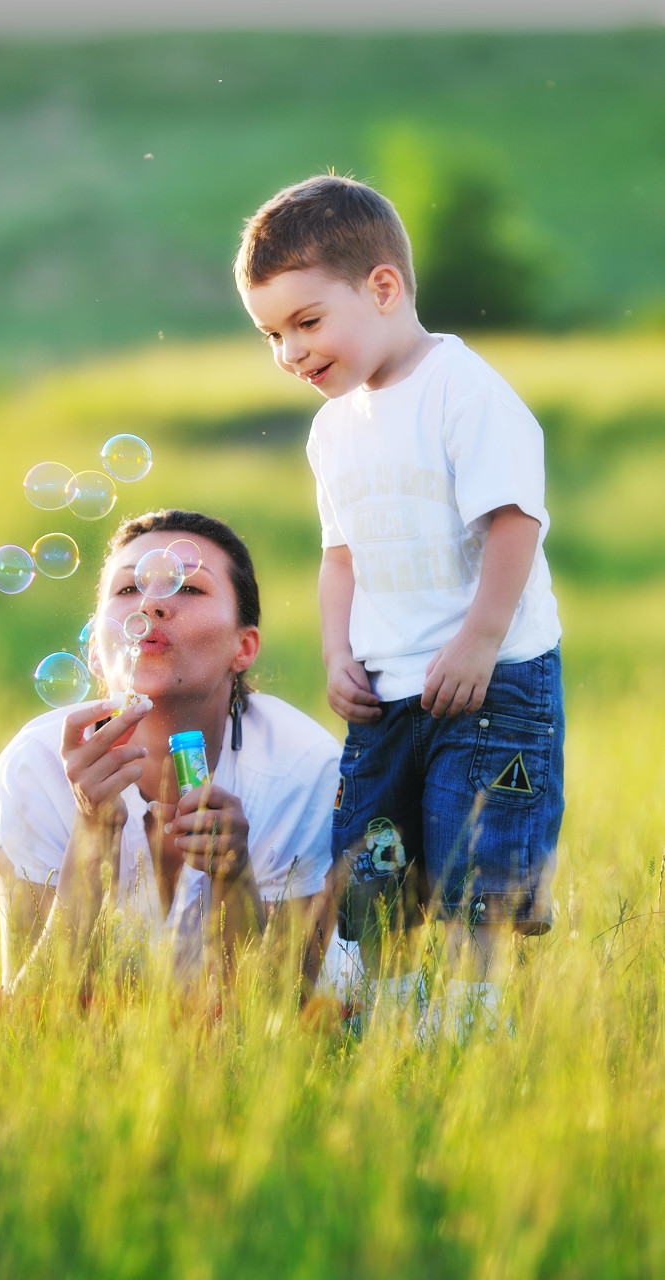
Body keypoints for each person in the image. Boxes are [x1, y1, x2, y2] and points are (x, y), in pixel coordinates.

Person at [236, 175, 565, 1034]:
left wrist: (478, 640)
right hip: (385, 686)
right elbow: (339, 555)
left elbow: (512, 521)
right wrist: (339, 653)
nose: (289, 352)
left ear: (382, 288)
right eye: (271, 334)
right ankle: (375, 1002)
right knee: (372, 856)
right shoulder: (333, 427)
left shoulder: (462, 389)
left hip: (492, 684)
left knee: (473, 852)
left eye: (307, 322)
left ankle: (468, 1009)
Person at [0, 509, 344, 1006]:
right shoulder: (35, 766)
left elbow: (275, 1022)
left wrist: (233, 876)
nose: (151, 603)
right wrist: (91, 830)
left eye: (189, 589)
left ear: (244, 646)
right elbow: (31, 1018)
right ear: (93, 648)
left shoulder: (302, 768)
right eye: (128, 590)